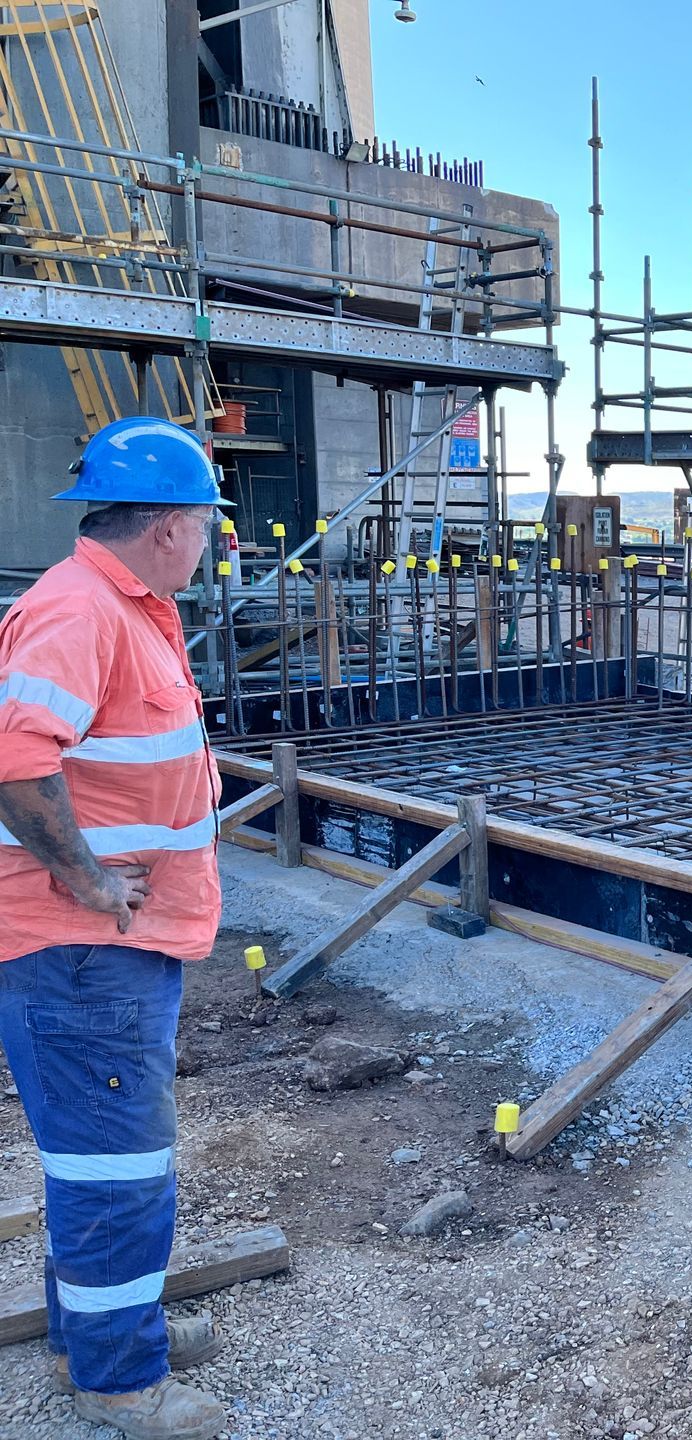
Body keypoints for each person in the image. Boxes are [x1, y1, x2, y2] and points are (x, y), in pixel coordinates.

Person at [0, 418, 232, 1440]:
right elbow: (15, 759)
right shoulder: (80, 610)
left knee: (101, 1158)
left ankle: (97, 1329)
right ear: (174, 527)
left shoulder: (122, 604)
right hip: (86, 952)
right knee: (118, 1167)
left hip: (116, 948)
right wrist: (87, 878)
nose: (212, 545)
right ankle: (119, 1382)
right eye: (207, 526)